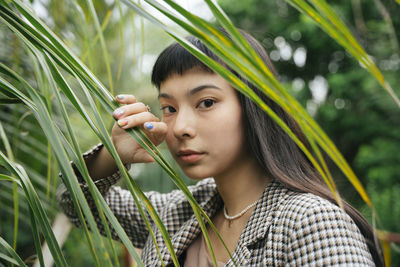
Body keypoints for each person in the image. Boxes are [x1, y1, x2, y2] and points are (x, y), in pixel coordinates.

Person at [59, 29, 383, 266]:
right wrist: (113, 155)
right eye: (169, 108)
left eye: (206, 102)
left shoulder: (309, 221)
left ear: (253, 106)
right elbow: (76, 204)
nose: (181, 127)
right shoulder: (182, 212)